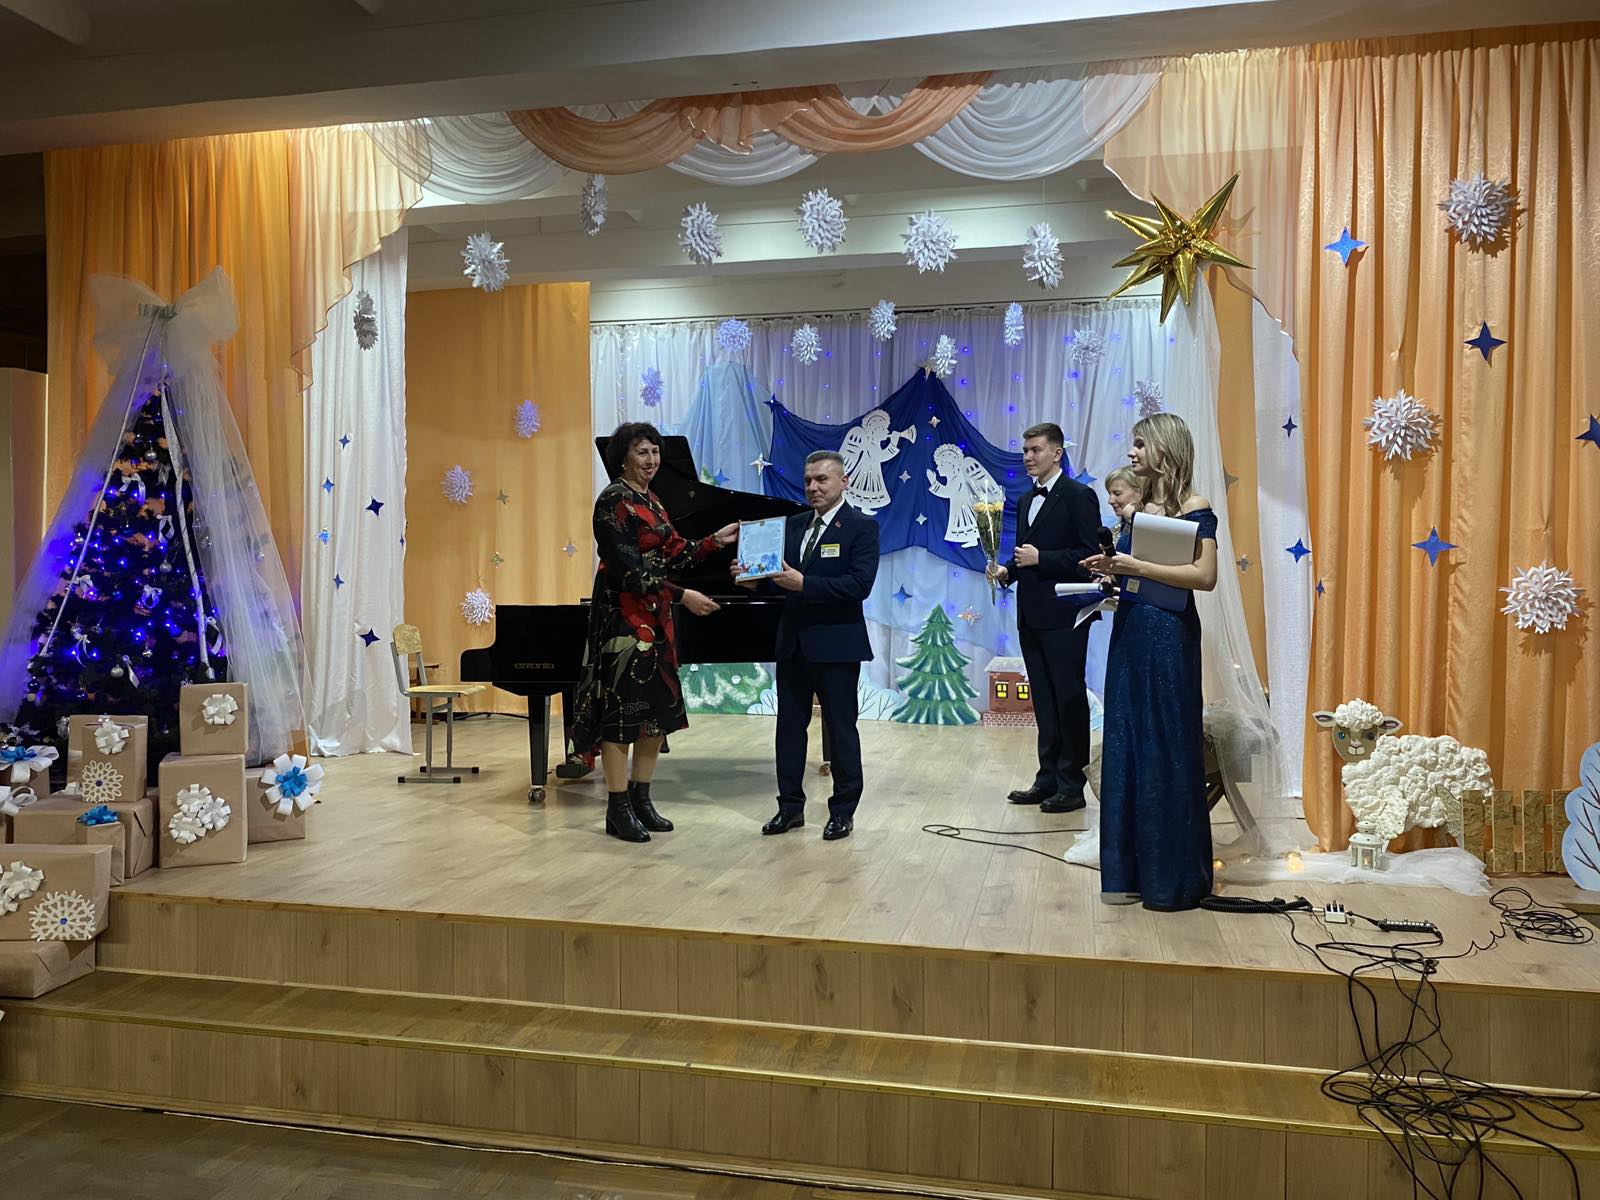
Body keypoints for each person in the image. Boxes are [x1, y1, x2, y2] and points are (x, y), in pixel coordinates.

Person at [569, 422, 738, 843]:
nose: (651, 460)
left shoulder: (653, 500)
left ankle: (641, 799)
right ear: (623, 458)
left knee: (655, 716)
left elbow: (675, 553)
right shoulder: (613, 501)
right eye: (642, 452)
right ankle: (617, 808)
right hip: (624, 622)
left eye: (655, 452)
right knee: (621, 716)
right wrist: (683, 596)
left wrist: (715, 541)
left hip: (655, 618)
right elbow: (628, 571)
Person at [1082, 412, 1219, 911]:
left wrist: (1136, 565)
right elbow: (1138, 578)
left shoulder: (1194, 506)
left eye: (1140, 443)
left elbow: (1204, 577)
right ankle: (1130, 874)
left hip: (1170, 637)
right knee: (1127, 741)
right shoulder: (1137, 509)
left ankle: (1172, 880)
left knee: (1166, 741)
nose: (1132, 452)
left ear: (1165, 447)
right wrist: (1111, 574)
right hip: (1131, 632)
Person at [734, 450, 879, 841]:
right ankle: (789, 808)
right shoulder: (793, 525)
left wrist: (806, 584)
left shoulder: (862, 528)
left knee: (841, 730)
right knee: (788, 730)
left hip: (837, 645)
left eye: (822, 479)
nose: (813, 487)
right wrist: (753, 581)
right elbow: (777, 582)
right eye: (809, 480)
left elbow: (859, 585)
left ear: (843, 482)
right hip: (793, 644)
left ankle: (843, 811)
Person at [989, 423, 1102, 813]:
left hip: (1066, 614)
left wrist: (1043, 559)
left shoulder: (1079, 496)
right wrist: (1008, 571)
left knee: (1068, 698)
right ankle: (1047, 777)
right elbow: (1025, 553)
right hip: (1032, 614)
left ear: (1057, 453)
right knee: (1044, 700)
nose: (1027, 457)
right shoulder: (1025, 500)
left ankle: (1072, 785)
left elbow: (1088, 556)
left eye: (1035, 450)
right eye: (1025, 450)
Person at [1103, 466, 1140, 542]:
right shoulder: (1118, 529)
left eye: (1117, 494)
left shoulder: (1151, 527)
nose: (1110, 501)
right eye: (1109, 494)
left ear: (1139, 492)